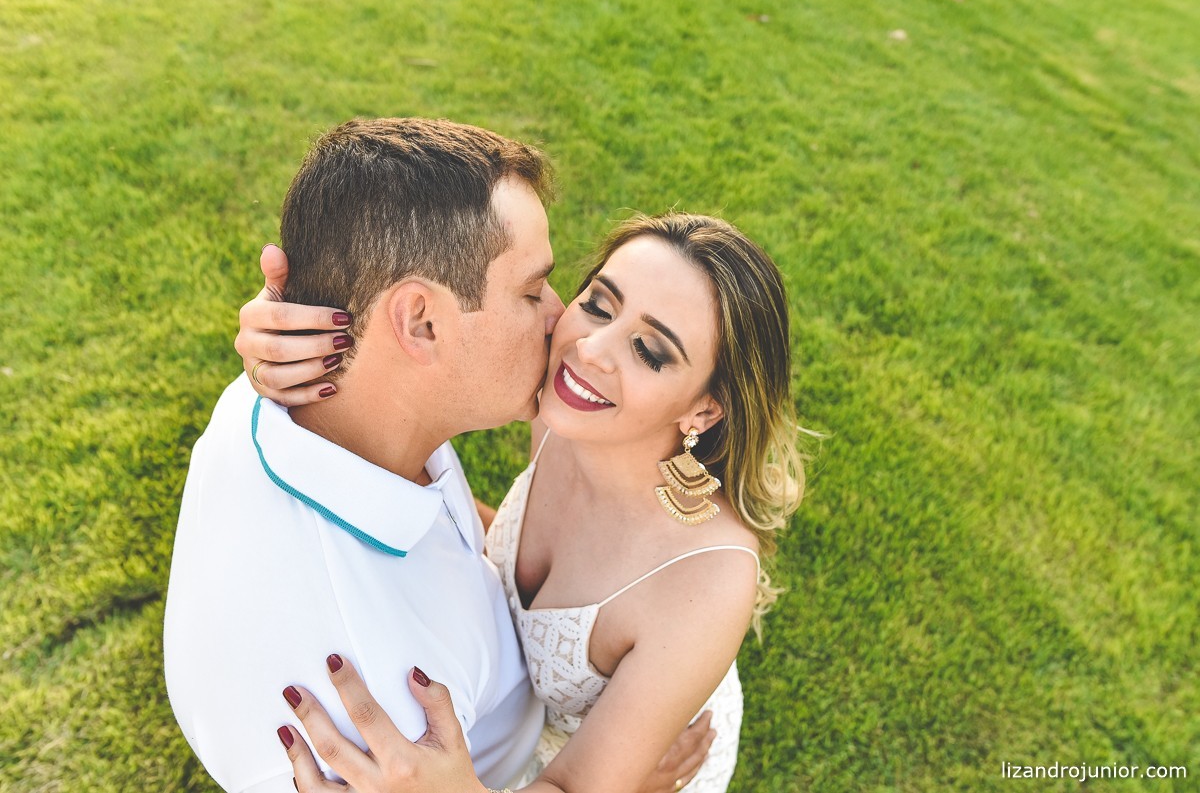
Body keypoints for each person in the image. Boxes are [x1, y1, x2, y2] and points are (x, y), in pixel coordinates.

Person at [164, 117, 708, 793]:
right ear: (421, 322)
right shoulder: (379, 696)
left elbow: (443, 534)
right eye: (531, 290)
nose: (561, 317)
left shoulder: (287, 395)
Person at [235, 209, 807, 792]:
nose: (590, 350)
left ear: (703, 410)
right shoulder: (564, 412)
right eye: (599, 305)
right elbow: (404, 328)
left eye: (651, 352)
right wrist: (289, 333)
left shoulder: (707, 580)